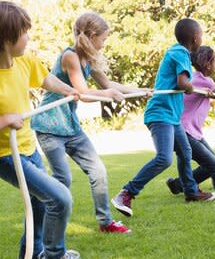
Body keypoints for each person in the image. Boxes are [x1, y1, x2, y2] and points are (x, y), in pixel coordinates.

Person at [0, 1, 80, 259]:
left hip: (29, 149)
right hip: (4, 156)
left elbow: (46, 80)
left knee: (39, 208)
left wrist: (67, 90)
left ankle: (34, 255)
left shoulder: (25, 63)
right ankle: (55, 255)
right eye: (24, 32)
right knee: (60, 199)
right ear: (5, 38)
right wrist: (3, 121)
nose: (28, 37)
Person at [31, 12, 146, 234]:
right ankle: (49, 230)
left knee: (98, 172)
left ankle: (106, 223)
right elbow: (83, 93)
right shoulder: (70, 57)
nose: (104, 44)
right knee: (62, 179)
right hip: (49, 127)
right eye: (103, 39)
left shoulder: (88, 59)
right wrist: (108, 93)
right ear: (92, 36)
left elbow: (107, 82)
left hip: (70, 127)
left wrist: (139, 91)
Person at [111, 18, 215, 217]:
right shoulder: (181, 53)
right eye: (201, 35)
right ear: (195, 38)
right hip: (160, 114)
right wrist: (190, 88)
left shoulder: (176, 51)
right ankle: (126, 193)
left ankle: (191, 192)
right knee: (164, 158)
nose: (201, 38)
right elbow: (182, 82)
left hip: (172, 116)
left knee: (186, 151)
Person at [165, 46, 215, 195]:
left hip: (190, 130)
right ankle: (181, 184)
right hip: (185, 130)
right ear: (208, 64)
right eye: (214, 61)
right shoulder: (202, 80)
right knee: (212, 164)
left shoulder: (193, 77)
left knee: (207, 160)